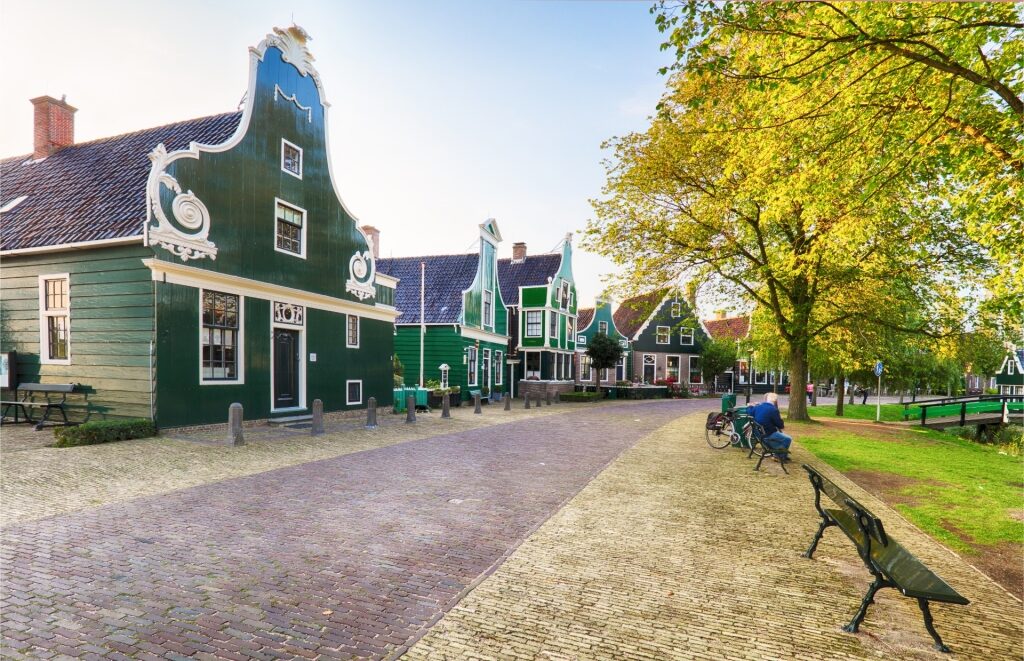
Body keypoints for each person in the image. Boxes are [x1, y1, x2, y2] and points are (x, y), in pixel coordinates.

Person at [749, 392, 792, 460]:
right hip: (767, 435)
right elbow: (780, 425)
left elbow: (749, 411)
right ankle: (779, 456)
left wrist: (750, 406)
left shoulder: (758, 407)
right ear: (775, 401)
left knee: (780, 436)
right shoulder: (773, 410)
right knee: (787, 439)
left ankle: (781, 455)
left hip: (757, 433)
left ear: (766, 399)